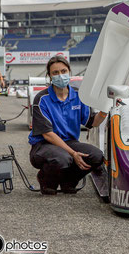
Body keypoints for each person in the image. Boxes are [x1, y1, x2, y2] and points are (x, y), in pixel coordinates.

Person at [28, 56, 106, 195]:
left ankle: (68, 181)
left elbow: (92, 122)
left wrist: (105, 110)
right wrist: (73, 153)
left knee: (97, 155)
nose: (60, 75)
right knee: (63, 158)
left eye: (63, 71)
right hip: (43, 145)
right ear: (50, 76)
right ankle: (46, 181)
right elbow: (47, 134)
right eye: (55, 73)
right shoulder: (41, 99)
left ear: (69, 72)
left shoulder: (78, 95)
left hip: (70, 143)